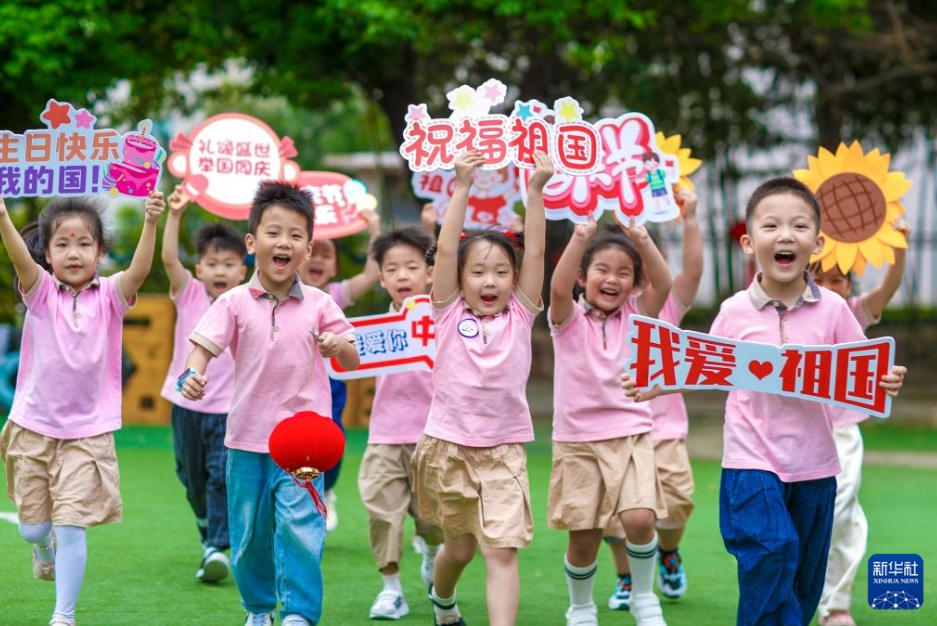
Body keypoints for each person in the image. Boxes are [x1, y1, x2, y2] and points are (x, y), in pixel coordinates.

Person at [621, 177, 907, 626]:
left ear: (817, 242)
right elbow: (703, 365)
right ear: (749, 243)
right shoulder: (735, 310)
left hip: (816, 464)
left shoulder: (833, 309)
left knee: (804, 580)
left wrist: (884, 380)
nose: (785, 235)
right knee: (772, 548)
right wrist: (660, 382)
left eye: (798, 226)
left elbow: (862, 369)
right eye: (771, 225)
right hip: (750, 459)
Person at [178, 181, 360, 626]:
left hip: (303, 441)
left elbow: (353, 356)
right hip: (245, 439)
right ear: (251, 242)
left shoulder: (320, 304)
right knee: (249, 536)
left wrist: (339, 344)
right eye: (274, 232)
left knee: (302, 530)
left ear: (308, 248)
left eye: (296, 235)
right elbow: (202, 348)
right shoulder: (234, 302)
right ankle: (259, 610)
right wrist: (192, 375)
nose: (285, 243)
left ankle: (299, 613)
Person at [0, 191, 165, 626]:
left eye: (84, 243)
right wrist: (1, 215)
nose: (74, 253)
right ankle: (41, 547)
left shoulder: (111, 295)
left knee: (73, 523)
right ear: (48, 253)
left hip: (89, 432)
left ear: (100, 252)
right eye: (63, 244)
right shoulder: (39, 292)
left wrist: (150, 222)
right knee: (32, 528)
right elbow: (19, 259)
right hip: (34, 426)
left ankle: (63, 615)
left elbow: (142, 270)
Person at [411, 149, 552, 626]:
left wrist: (535, 192)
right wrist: (463, 185)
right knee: (460, 547)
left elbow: (534, 251)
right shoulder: (447, 310)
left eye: (500, 272)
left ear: (515, 280)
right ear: (459, 280)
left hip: (504, 451)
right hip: (447, 446)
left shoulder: (521, 312)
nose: (488, 281)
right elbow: (447, 250)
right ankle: (443, 600)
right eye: (478, 272)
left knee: (501, 552)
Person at [548, 205, 673, 626]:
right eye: (602, 269)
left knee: (640, 519)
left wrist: (640, 236)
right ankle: (581, 607)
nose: (612, 279)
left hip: (631, 432)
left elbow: (665, 281)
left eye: (623, 272)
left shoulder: (639, 317)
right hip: (577, 439)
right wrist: (580, 238)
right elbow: (559, 289)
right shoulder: (567, 321)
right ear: (584, 277)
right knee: (583, 536)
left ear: (634, 283)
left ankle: (643, 597)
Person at [605, 190, 703, 610]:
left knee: (677, 503)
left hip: (663, 429)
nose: (635, 272)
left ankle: (668, 551)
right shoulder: (599, 308)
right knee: (613, 515)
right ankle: (626, 578)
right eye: (623, 267)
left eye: (643, 261)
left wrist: (692, 218)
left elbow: (693, 273)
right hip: (610, 431)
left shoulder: (665, 308)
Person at [811, 218, 911, 626]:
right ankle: (802, 595)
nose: (832, 287)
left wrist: (899, 246)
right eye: (822, 278)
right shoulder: (790, 316)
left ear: (849, 287)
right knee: (800, 521)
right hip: (796, 434)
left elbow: (890, 285)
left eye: (839, 280)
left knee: (842, 514)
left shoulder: (854, 314)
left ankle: (835, 605)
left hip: (843, 432)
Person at [159, 185, 248, 583]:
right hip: (186, 406)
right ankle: (207, 533)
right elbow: (167, 258)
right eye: (212, 263)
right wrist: (174, 214)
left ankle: (216, 547)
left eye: (229, 264)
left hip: (229, 409)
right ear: (199, 270)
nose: (220, 271)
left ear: (243, 270)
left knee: (219, 476)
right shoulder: (189, 293)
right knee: (190, 477)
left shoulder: (248, 300)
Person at [358, 226, 443, 620]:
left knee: (433, 521)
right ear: (382, 279)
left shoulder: (447, 319)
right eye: (393, 269)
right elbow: (345, 358)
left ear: (430, 272)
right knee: (382, 510)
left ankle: (431, 552)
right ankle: (391, 589)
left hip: (436, 436)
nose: (403, 276)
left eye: (412, 266)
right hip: (385, 435)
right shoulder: (375, 329)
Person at [297, 207, 381, 532]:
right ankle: (299, 499)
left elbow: (372, 274)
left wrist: (374, 228)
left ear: (334, 267)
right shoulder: (278, 292)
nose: (318, 258)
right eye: (313, 251)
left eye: (326, 254)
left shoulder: (335, 295)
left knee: (333, 443)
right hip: (291, 386)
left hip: (331, 387)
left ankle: (326, 489)